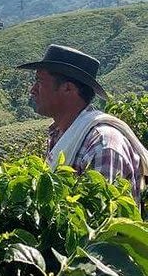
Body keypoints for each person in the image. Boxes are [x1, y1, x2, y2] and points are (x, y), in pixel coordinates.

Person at [18, 44, 148, 203]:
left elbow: (101, 219)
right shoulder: (61, 134)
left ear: (68, 88)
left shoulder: (103, 145)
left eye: (39, 81)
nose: (33, 89)